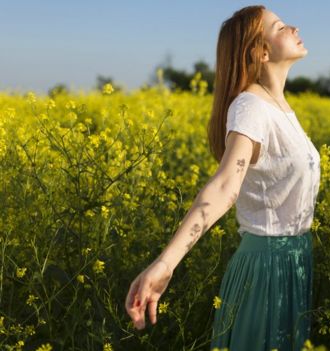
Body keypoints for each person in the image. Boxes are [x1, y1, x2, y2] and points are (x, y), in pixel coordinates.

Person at [125, 4, 320, 350]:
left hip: (294, 261)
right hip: (267, 269)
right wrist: (165, 263)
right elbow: (225, 185)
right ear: (259, 51)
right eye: (279, 27)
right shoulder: (250, 108)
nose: (293, 28)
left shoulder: (278, 107)